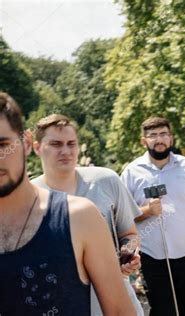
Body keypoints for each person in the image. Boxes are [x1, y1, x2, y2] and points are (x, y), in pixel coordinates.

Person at [0, 92, 135, 315]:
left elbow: (120, 311)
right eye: (56, 144)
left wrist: (128, 251)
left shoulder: (78, 217)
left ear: (24, 143)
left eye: (3, 145)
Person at [31, 114, 144, 316]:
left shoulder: (106, 180)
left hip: (117, 304)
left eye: (71, 143)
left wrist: (127, 255)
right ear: (37, 147)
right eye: (56, 144)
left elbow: (129, 233)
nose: (65, 151)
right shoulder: (28, 198)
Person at [120, 117, 185, 316]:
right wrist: (146, 211)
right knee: (162, 312)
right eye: (153, 136)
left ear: (171, 138)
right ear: (144, 141)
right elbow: (122, 217)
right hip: (152, 259)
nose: (159, 139)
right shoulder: (131, 173)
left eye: (163, 134)